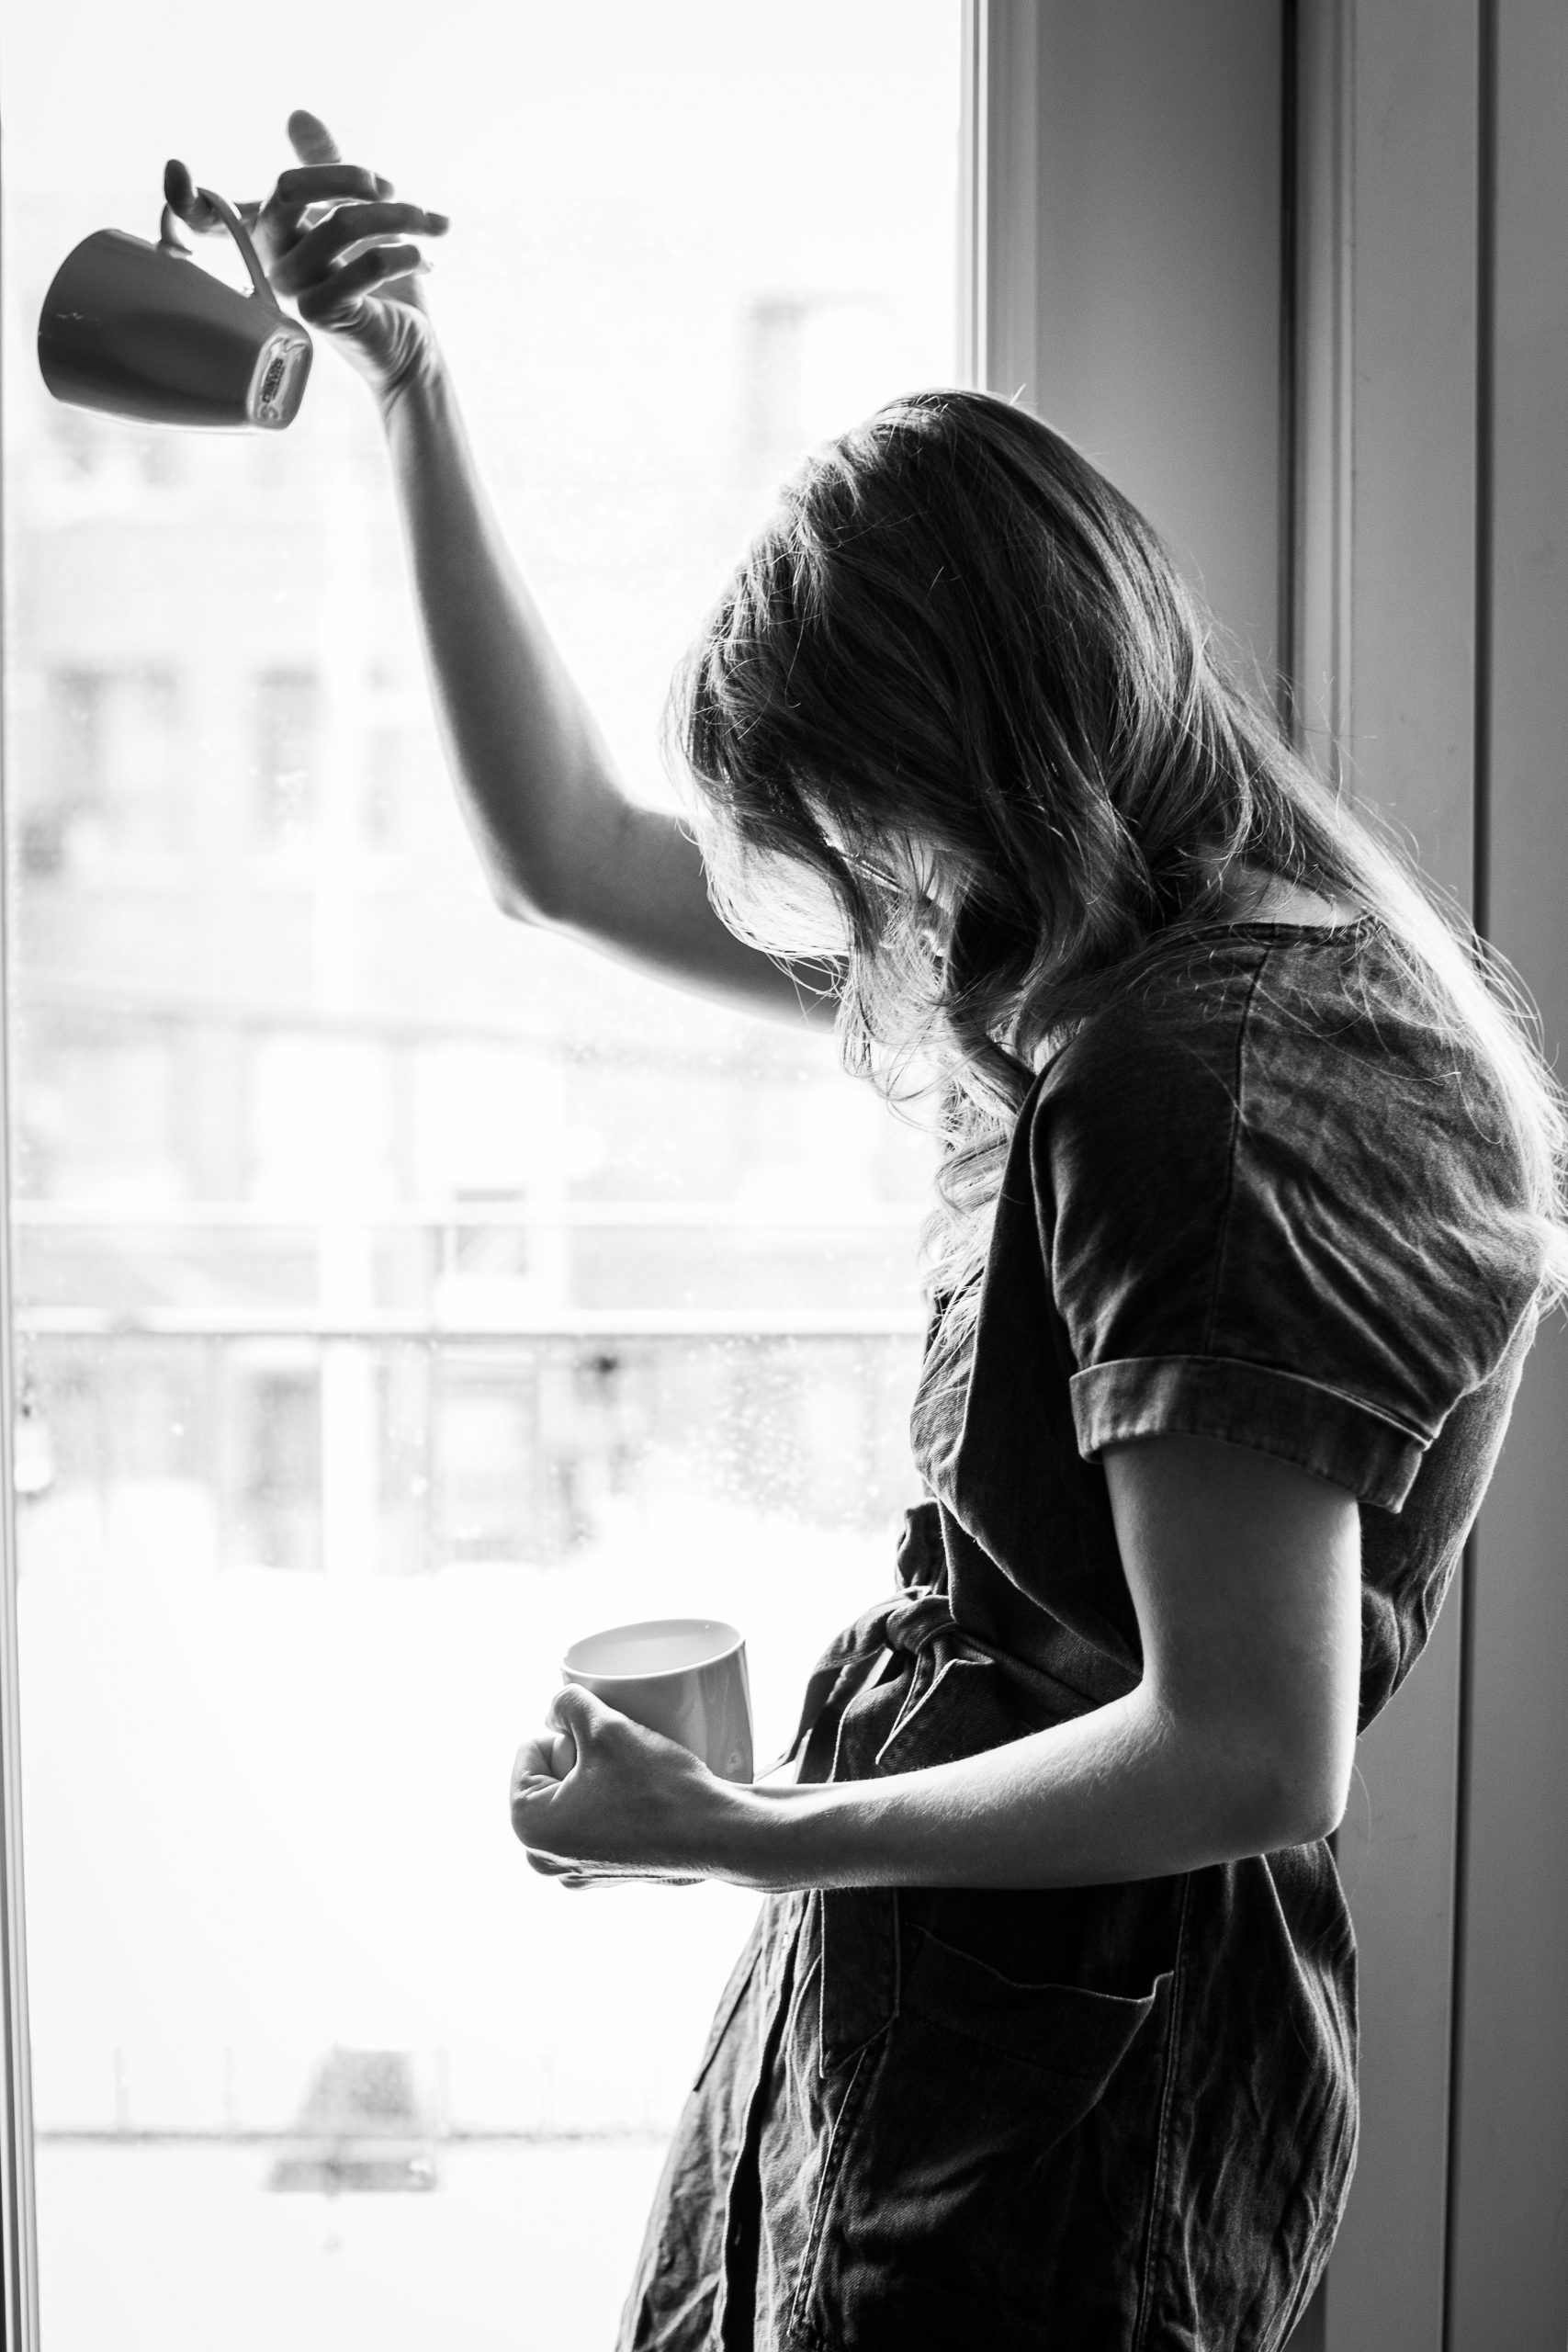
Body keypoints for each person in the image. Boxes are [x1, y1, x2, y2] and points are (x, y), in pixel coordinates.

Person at [168, 115, 1564, 2351]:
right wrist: (412, 386)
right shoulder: (1094, 955)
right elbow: (568, 855)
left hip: (1064, 2072)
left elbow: (1243, 1748)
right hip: (989, 1989)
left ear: (962, 778)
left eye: (848, 831)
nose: (850, 903)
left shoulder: (1196, 1079)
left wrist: (738, 1824)